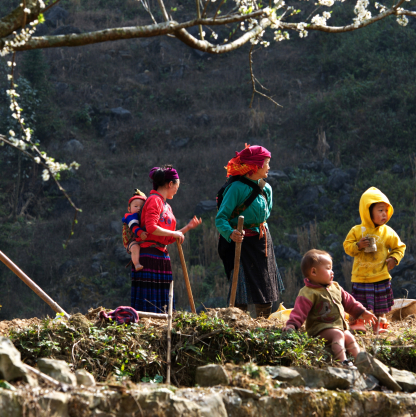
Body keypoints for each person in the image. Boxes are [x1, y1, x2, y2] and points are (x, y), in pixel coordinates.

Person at [216, 144, 283, 319]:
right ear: (256, 166)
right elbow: (221, 218)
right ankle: (239, 325)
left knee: (265, 287)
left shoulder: (266, 188)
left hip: (262, 241)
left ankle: (263, 323)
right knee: (241, 291)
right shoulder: (235, 188)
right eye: (266, 163)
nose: (269, 167)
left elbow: (265, 216)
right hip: (241, 242)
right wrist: (231, 233)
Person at [283, 249, 377, 364]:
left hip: (339, 326)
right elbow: (299, 312)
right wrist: (292, 325)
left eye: (331, 268)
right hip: (319, 329)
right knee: (337, 334)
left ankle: (361, 361)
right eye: (328, 268)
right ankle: (343, 362)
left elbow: (350, 302)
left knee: (349, 336)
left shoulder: (336, 287)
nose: (332, 272)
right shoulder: (308, 293)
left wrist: (362, 312)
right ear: (313, 272)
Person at [131, 165, 201, 313]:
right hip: (149, 256)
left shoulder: (166, 205)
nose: (177, 190)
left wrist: (186, 229)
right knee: (149, 306)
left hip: (161, 256)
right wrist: (175, 234)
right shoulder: (154, 200)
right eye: (177, 186)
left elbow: (168, 236)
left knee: (162, 306)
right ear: (170, 184)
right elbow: (151, 228)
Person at [343, 187, 406, 333]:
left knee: (381, 307)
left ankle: (381, 325)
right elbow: (347, 246)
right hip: (361, 277)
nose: (384, 214)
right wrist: (358, 245)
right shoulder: (357, 231)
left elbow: (400, 247)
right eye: (380, 210)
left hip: (381, 276)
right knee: (359, 304)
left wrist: (393, 259)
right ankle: (358, 323)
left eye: (385, 210)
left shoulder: (387, 231)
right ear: (368, 211)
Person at [122, 189, 147, 271]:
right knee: (135, 247)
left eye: (141, 206)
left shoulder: (141, 216)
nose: (138, 208)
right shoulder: (130, 216)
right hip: (130, 240)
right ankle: (136, 264)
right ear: (129, 209)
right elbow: (134, 226)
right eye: (136, 206)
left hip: (138, 238)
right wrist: (141, 233)